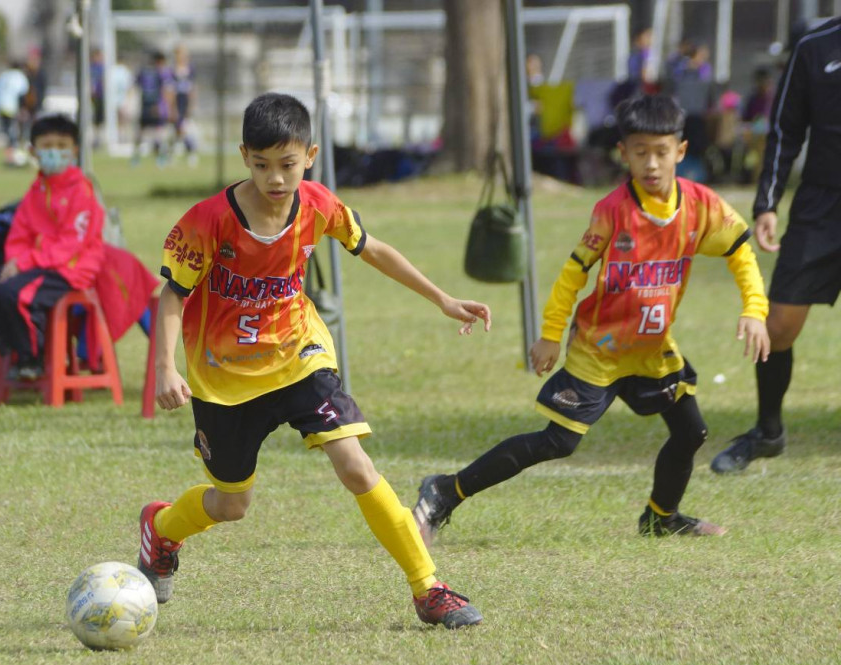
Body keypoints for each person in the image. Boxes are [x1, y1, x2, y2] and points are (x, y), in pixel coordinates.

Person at [139, 93, 491, 628]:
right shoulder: (208, 220)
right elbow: (172, 295)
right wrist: (165, 368)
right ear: (244, 157)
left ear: (310, 155)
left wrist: (441, 298)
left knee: (356, 465)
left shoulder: (319, 204)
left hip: (299, 355)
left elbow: (372, 248)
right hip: (223, 377)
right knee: (233, 504)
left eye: (287, 164)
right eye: (261, 165)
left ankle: (429, 588)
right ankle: (163, 528)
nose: (276, 178)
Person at [414, 95, 770, 543]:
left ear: (681, 151)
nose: (652, 163)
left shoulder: (702, 206)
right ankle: (444, 491)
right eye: (640, 152)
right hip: (598, 350)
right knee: (557, 443)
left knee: (691, 431)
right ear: (623, 153)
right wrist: (549, 336)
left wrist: (754, 311)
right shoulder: (613, 210)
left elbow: (741, 253)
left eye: (662, 152)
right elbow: (573, 273)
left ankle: (661, 517)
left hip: (651, 350)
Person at [711, 17, 841, 473]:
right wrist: (767, 203)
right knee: (779, 325)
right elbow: (786, 130)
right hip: (821, 207)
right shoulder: (815, 45)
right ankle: (768, 432)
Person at [0, 114, 104, 379]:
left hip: (70, 270)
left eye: (62, 145)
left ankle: (34, 357)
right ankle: (11, 348)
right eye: (48, 145)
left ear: (75, 150)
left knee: (13, 292)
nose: (55, 151)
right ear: (33, 151)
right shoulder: (36, 190)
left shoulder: (81, 190)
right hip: (36, 265)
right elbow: (18, 235)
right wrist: (14, 263)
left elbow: (70, 245)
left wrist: (23, 263)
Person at [133, 52, 174, 165]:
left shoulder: (145, 71)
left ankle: (140, 157)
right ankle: (158, 157)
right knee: (155, 131)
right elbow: (166, 90)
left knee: (149, 131)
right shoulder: (159, 73)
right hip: (155, 105)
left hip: (148, 105)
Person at [0, 61, 31, 151]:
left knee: (5, 126)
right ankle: (12, 146)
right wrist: (23, 107)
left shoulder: (3, 75)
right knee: (12, 127)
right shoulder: (19, 76)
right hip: (11, 105)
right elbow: (22, 93)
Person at [171, 45, 198, 164]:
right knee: (178, 127)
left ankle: (191, 151)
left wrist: (192, 104)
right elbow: (170, 89)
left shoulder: (190, 69)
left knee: (186, 127)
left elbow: (193, 89)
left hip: (185, 100)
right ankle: (177, 150)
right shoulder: (173, 70)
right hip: (177, 100)